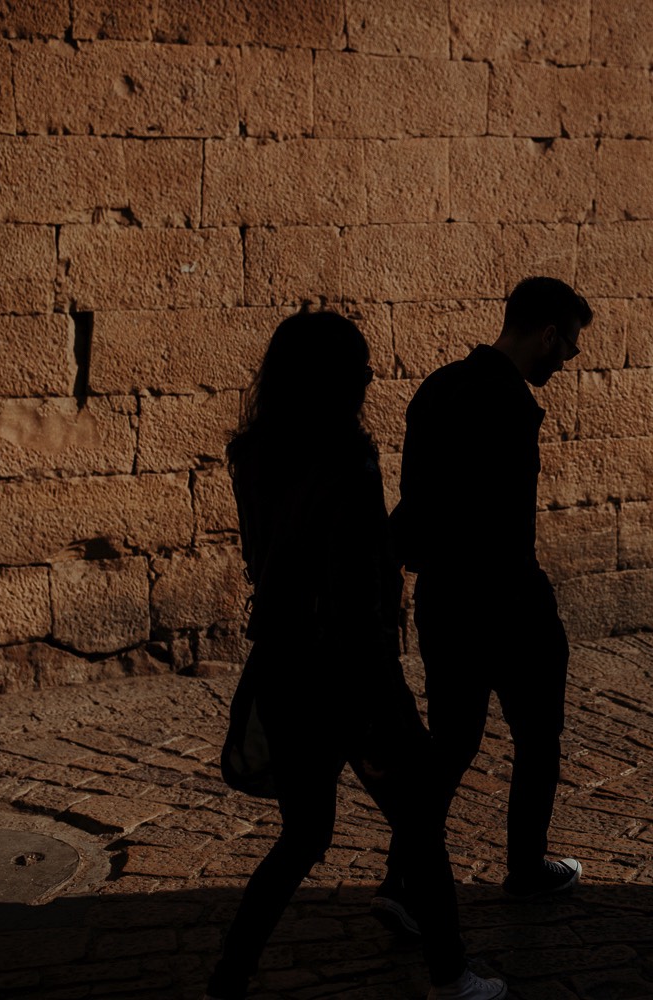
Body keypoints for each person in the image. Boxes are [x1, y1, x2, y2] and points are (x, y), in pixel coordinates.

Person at [204, 310, 506, 1000]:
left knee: (304, 836)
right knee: (420, 824)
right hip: (349, 678)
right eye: (361, 366)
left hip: (283, 664)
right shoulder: (348, 460)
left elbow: (270, 562)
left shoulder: (253, 454)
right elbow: (354, 592)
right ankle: (452, 975)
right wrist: (387, 690)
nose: (372, 377)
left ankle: (228, 979)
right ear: (335, 379)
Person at [374, 277, 592, 930]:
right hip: (503, 600)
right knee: (537, 738)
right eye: (570, 344)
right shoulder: (510, 404)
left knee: (452, 742)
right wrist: (530, 599)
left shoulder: (437, 387)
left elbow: (420, 503)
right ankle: (525, 868)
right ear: (548, 334)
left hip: (444, 595)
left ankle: (401, 877)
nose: (571, 358)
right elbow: (500, 522)